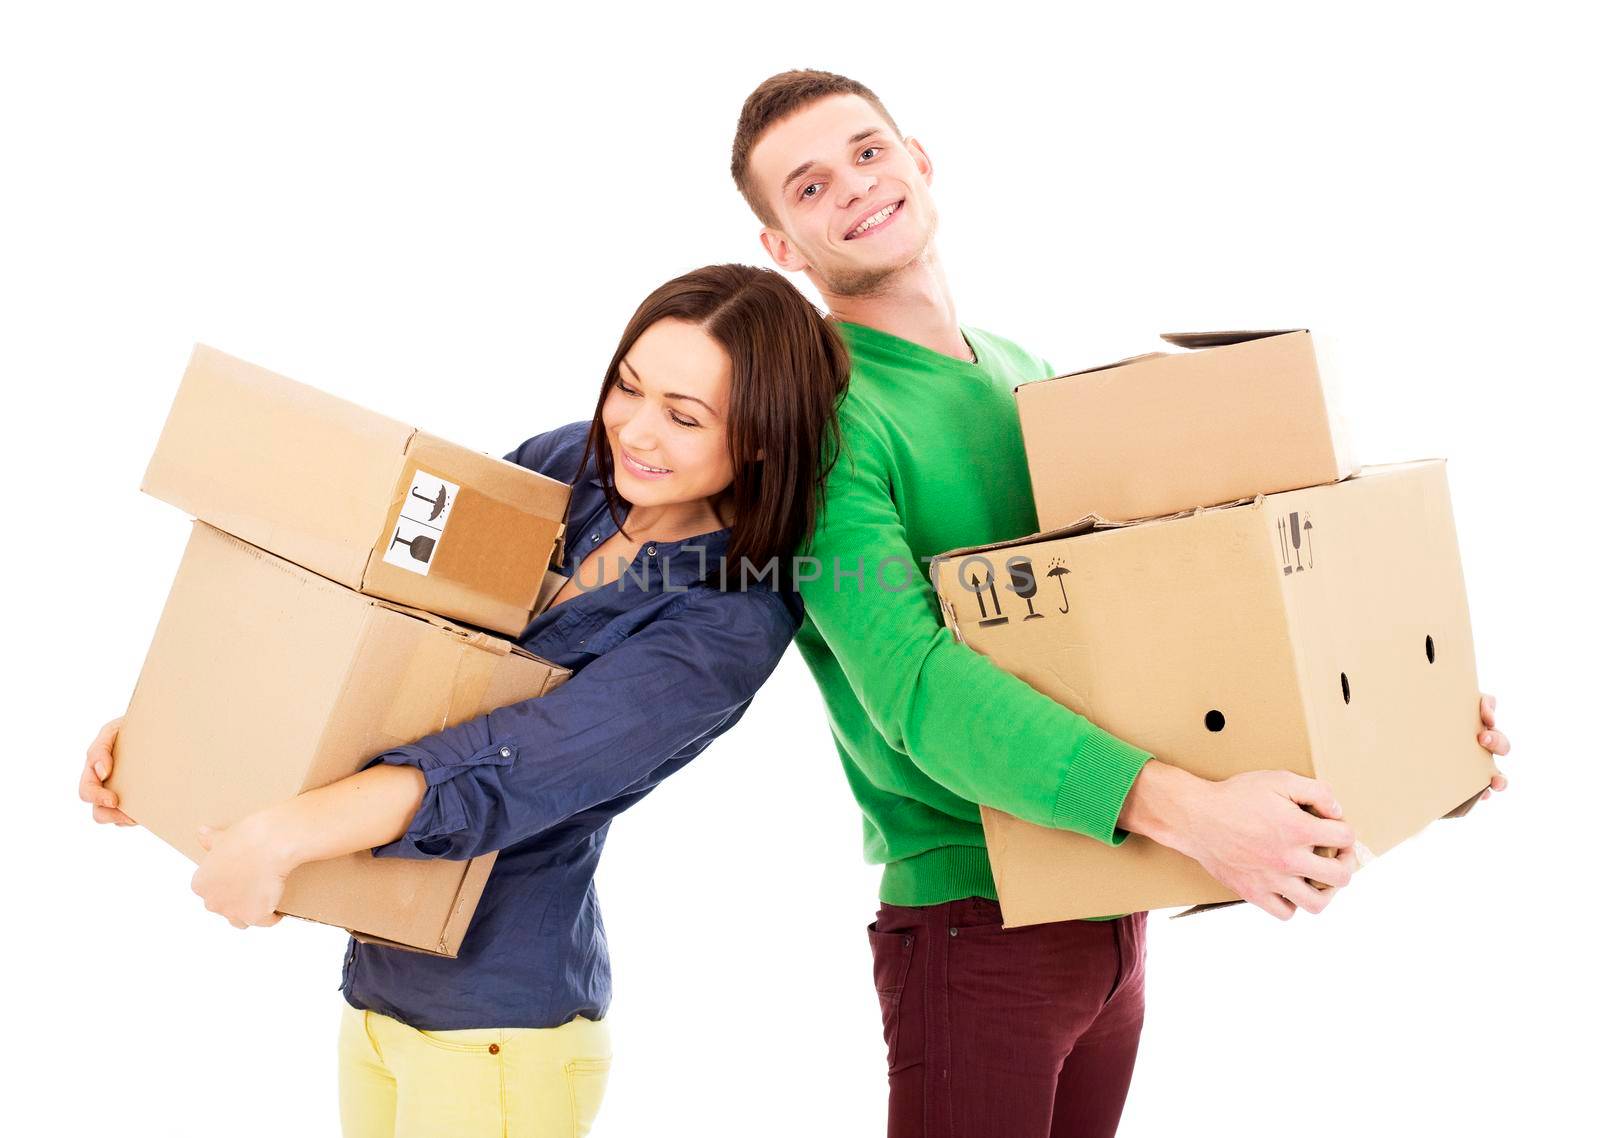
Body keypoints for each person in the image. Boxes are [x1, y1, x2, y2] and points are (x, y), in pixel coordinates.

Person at [729, 70, 1515, 1138]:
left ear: (920, 160)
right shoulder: (824, 419)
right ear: (782, 245)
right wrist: (1189, 811)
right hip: (977, 919)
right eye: (809, 186)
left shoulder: (1019, 372)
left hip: (1104, 903)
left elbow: (1163, 616)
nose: (855, 188)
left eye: (867, 152)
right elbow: (914, 689)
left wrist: (1398, 726)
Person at [78, 263, 851, 1138]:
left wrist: (280, 835)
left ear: (758, 437)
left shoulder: (730, 619)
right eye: (628, 388)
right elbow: (375, 631)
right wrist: (173, 735)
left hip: (500, 1029)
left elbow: (508, 766)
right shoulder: (573, 470)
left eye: (683, 416)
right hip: (379, 989)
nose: (635, 430)